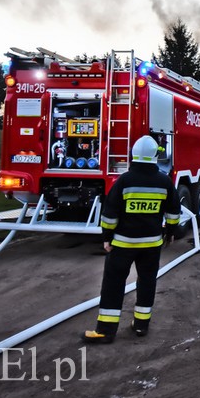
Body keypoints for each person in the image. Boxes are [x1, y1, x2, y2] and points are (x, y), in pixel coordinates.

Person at [83, 135, 181, 344]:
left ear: (134, 154)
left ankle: (106, 331)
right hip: (152, 245)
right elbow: (174, 211)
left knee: (113, 285)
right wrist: (170, 232)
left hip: (123, 244)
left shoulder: (124, 181)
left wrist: (106, 237)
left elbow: (110, 214)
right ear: (156, 155)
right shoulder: (164, 181)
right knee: (147, 283)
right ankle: (141, 326)